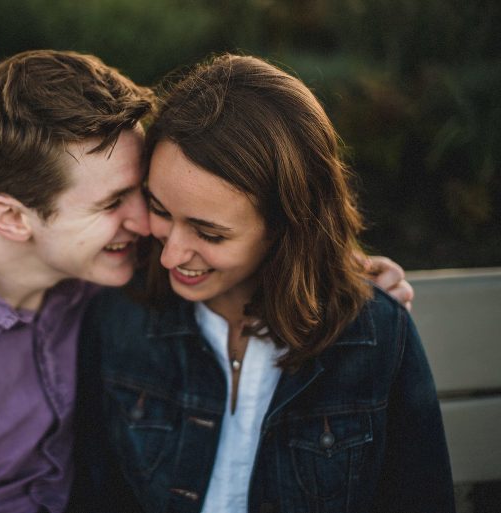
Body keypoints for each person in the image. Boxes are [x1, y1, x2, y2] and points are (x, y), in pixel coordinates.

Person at [0, 49, 411, 513]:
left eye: (144, 193)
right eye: (113, 203)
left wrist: (329, 263)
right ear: (12, 217)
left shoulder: (106, 275)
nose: (147, 224)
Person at [71, 54, 453, 513]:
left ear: (284, 226)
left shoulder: (375, 336)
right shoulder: (120, 315)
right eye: (160, 210)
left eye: (210, 233)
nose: (171, 254)